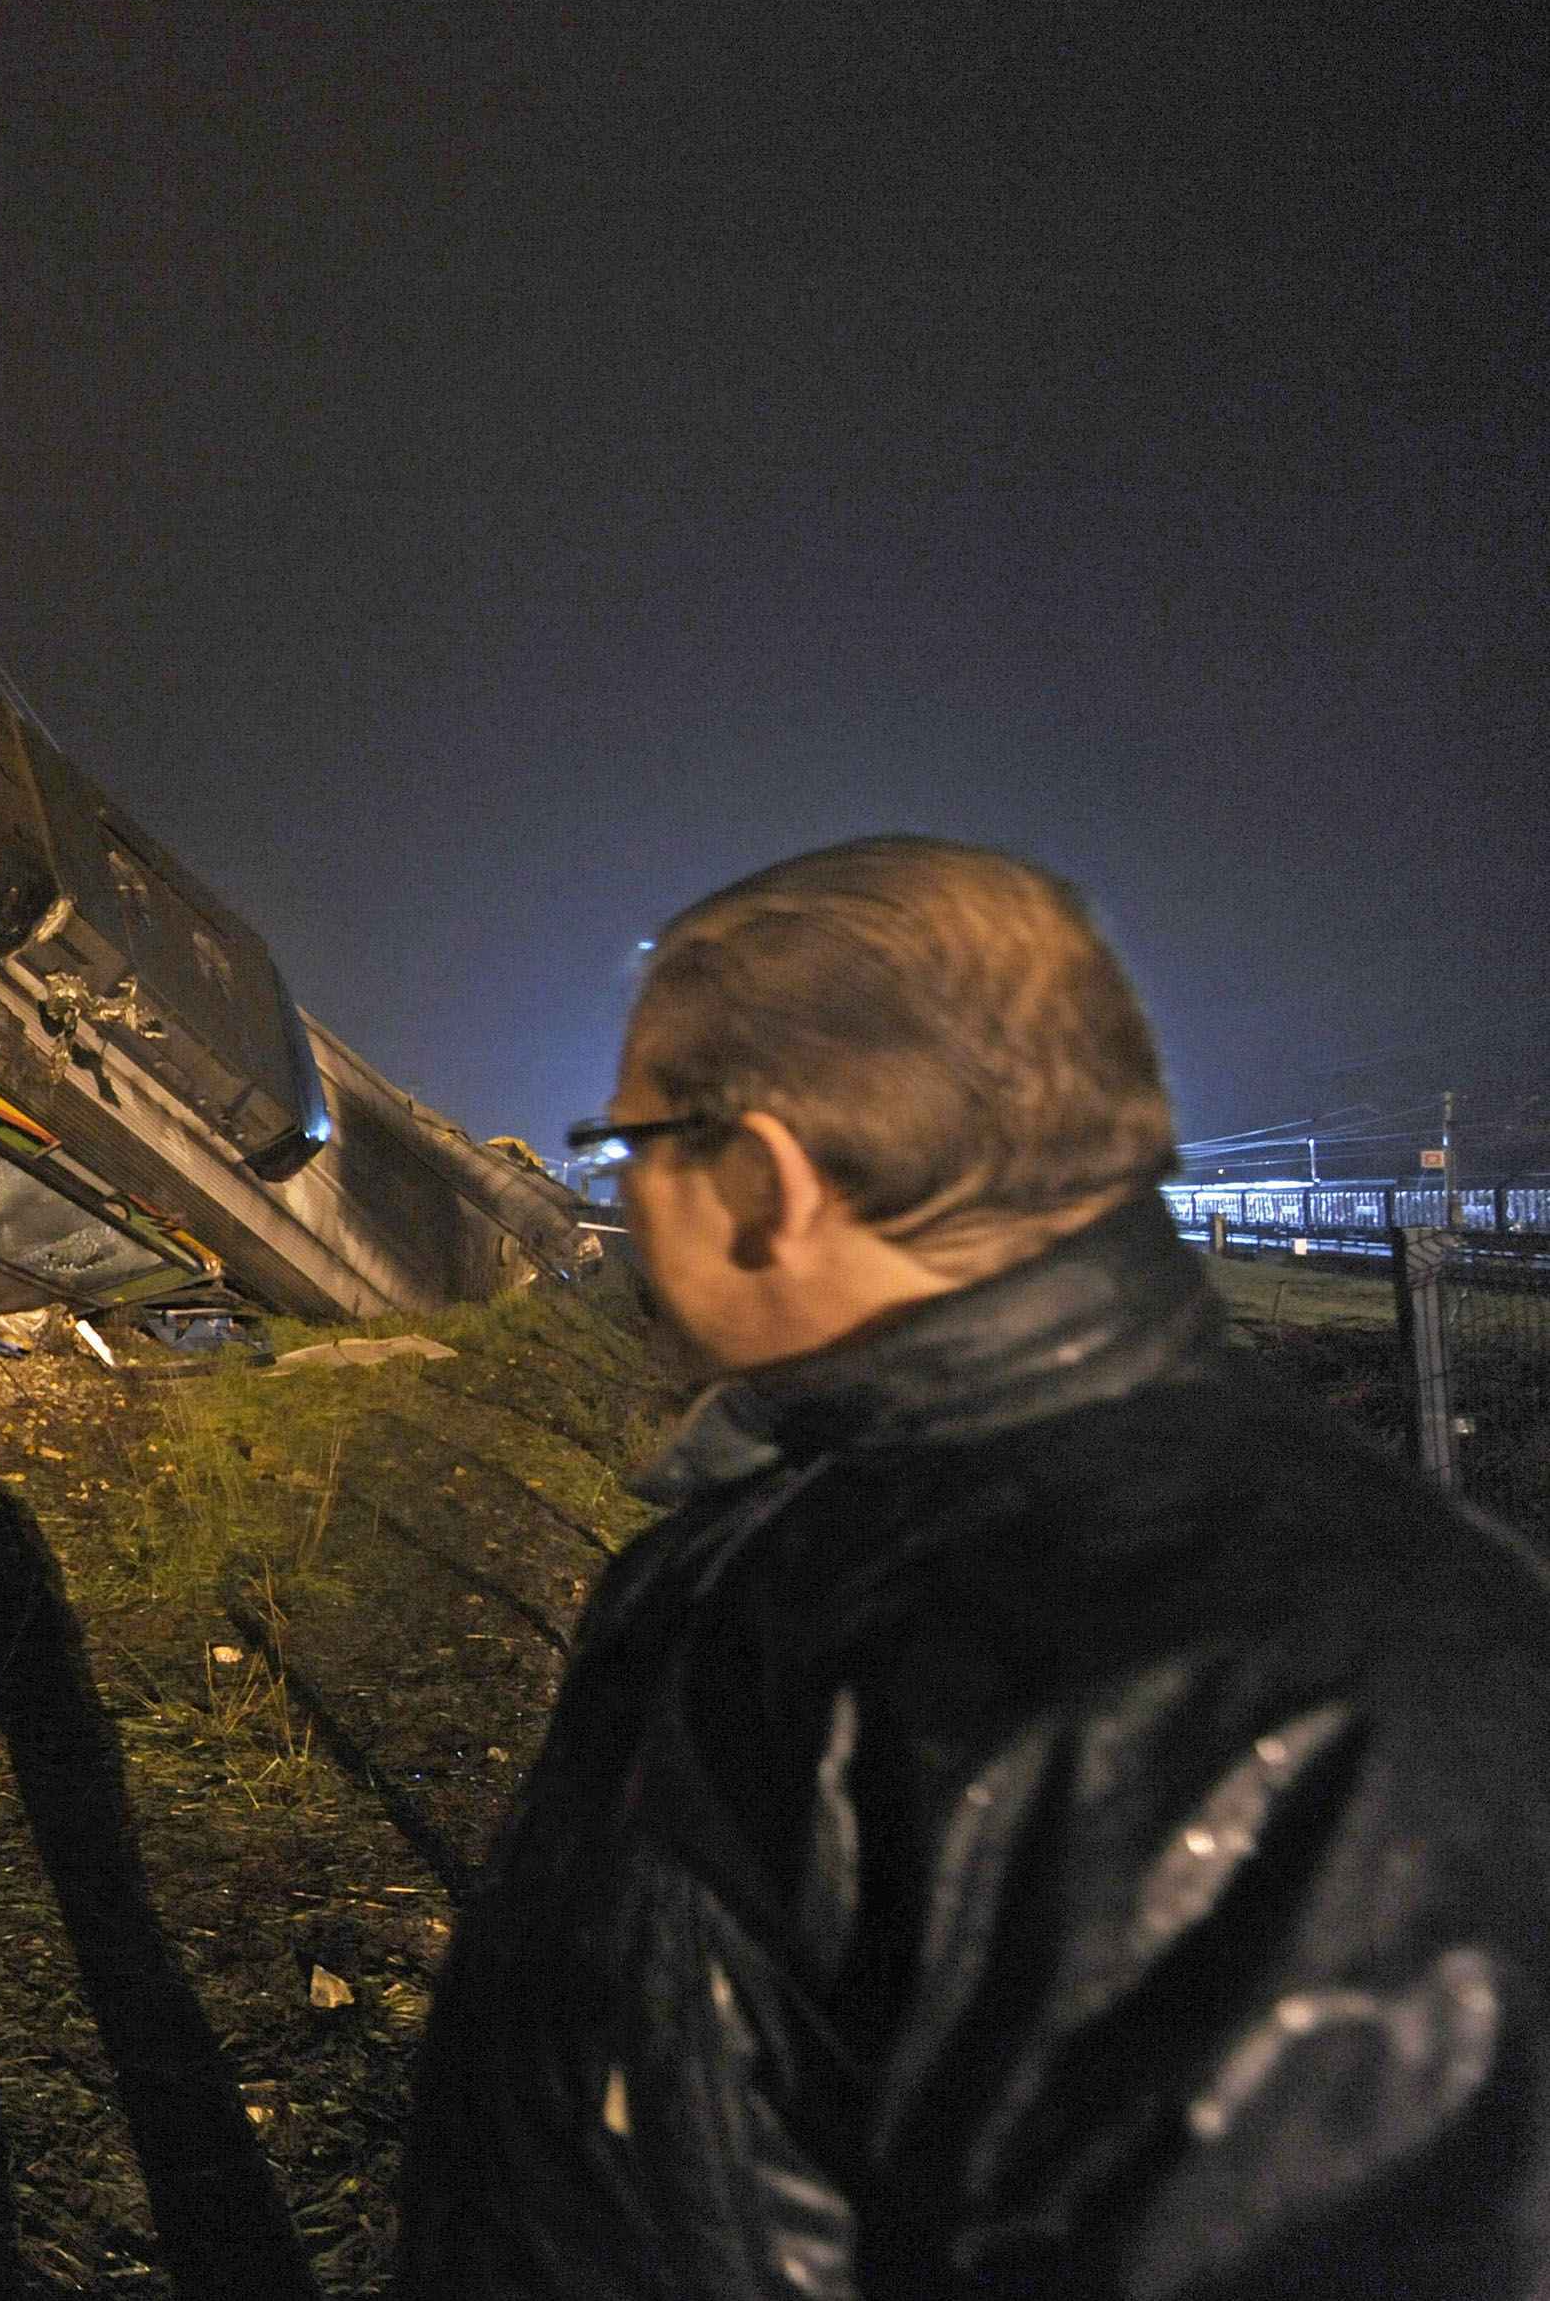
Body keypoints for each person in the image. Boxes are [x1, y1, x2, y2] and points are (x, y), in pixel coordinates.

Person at [398, 837, 1550, 2298]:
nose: (619, 1209)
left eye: (627, 1149)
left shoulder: (1292, 1696)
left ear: (761, 1179)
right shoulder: (834, 1536)